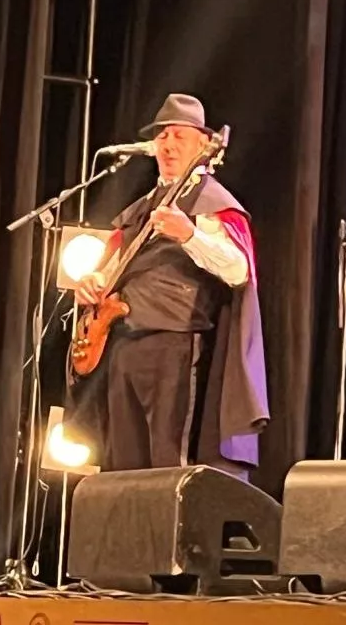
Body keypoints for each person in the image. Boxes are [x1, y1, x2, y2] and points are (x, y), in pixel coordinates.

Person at [68, 94, 268, 480]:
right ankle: (130, 540)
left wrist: (189, 234)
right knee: (121, 467)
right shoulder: (141, 208)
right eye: (162, 137)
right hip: (124, 345)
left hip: (174, 346)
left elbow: (238, 269)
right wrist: (94, 282)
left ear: (201, 146)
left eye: (179, 136)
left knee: (165, 465)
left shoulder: (210, 202)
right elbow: (109, 270)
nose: (169, 145)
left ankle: (167, 541)